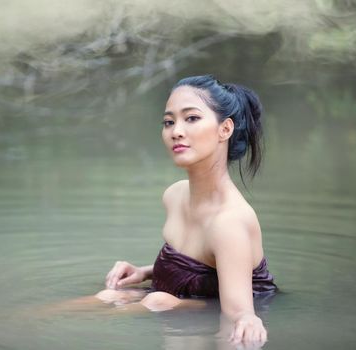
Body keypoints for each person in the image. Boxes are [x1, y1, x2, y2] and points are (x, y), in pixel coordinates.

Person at [97, 75, 278, 345]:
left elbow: (239, 312)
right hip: (178, 300)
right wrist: (146, 272)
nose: (176, 131)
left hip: (200, 313)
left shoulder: (230, 222)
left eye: (191, 118)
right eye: (169, 122)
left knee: (156, 301)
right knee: (108, 296)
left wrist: (247, 320)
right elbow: (201, 268)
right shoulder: (175, 195)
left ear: (225, 129)